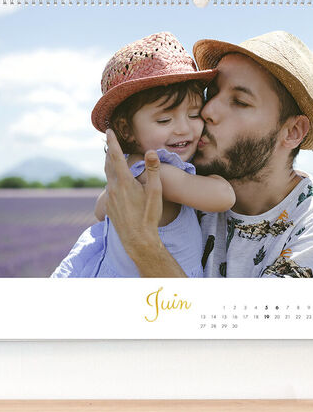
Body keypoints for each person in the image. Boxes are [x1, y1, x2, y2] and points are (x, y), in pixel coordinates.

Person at [103, 31, 313, 278]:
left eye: (239, 101)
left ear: (293, 131)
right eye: (211, 94)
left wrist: (144, 247)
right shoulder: (183, 187)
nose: (208, 111)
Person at [51, 32, 235, 278]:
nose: (184, 128)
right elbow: (224, 197)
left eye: (193, 115)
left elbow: (100, 210)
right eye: (164, 120)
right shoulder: (159, 175)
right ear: (126, 129)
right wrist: (216, 176)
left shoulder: (129, 171)